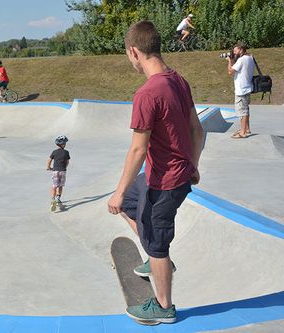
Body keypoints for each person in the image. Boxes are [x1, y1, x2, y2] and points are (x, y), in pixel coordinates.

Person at [107, 21, 204, 325]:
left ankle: (164, 306)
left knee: (158, 242)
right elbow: (197, 130)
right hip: (165, 174)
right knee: (130, 206)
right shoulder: (178, 80)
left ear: (134, 51)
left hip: (165, 183)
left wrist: (118, 190)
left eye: (128, 55)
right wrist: (194, 164)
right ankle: (152, 255)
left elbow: (137, 150)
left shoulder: (147, 94)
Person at [227, 41, 254, 139]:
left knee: (242, 111)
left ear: (241, 50)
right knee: (246, 109)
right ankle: (246, 129)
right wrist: (234, 59)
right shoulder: (250, 58)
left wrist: (229, 61)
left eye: (235, 51)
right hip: (247, 87)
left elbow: (230, 71)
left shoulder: (242, 60)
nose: (233, 53)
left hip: (241, 90)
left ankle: (243, 133)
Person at [46, 135, 70, 212]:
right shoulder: (66, 152)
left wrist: (49, 167)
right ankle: (58, 198)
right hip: (63, 171)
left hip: (55, 171)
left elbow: (49, 160)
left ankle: (53, 199)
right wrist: (65, 167)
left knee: (54, 185)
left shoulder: (54, 152)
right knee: (60, 186)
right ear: (63, 144)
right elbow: (67, 162)